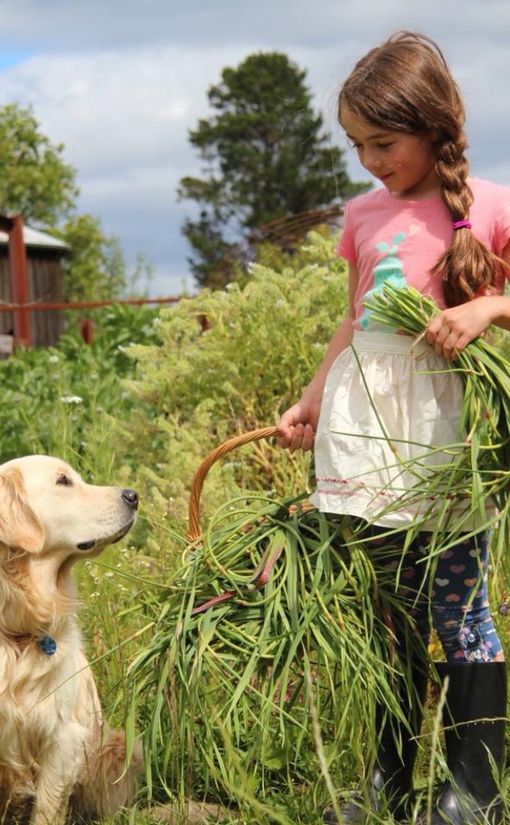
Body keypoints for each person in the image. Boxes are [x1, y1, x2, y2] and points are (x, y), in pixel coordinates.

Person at [277, 31, 510, 825]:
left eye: (384, 141)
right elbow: (354, 319)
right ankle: (388, 779)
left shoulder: (490, 203)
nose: (370, 159)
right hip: (366, 422)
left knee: (459, 606)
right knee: (386, 608)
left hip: (444, 432)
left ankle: (472, 789)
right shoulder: (363, 213)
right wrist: (312, 397)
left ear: (434, 124)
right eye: (357, 144)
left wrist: (484, 307)